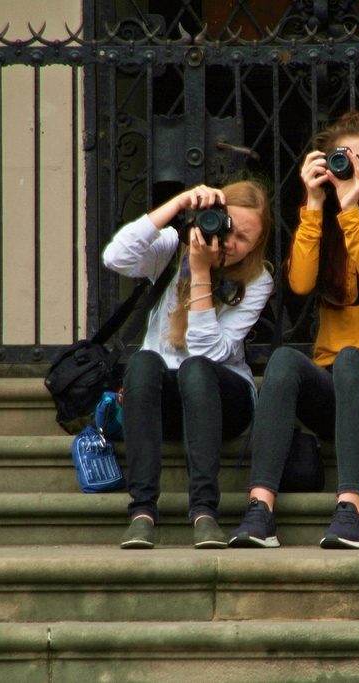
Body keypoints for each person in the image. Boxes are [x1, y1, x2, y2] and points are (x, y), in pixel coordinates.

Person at [228, 111, 359, 550]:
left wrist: (352, 210)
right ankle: (260, 510)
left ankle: (352, 512)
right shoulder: (325, 221)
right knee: (284, 360)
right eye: (349, 160)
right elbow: (299, 283)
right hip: (335, 392)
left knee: (353, 357)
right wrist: (314, 205)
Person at [102, 180, 274, 549]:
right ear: (211, 217)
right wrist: (179, 203)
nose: (229, 242)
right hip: (167, 398)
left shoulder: (258, 280)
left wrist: (200, 275)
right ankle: (142, 513)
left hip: (225, 397)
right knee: (144, 363)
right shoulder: (172, 249)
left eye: (244, 239)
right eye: (226, 226)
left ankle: (205, 513)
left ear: (257, 245)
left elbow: (209, 354)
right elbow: (115, 256)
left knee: (195, 369)